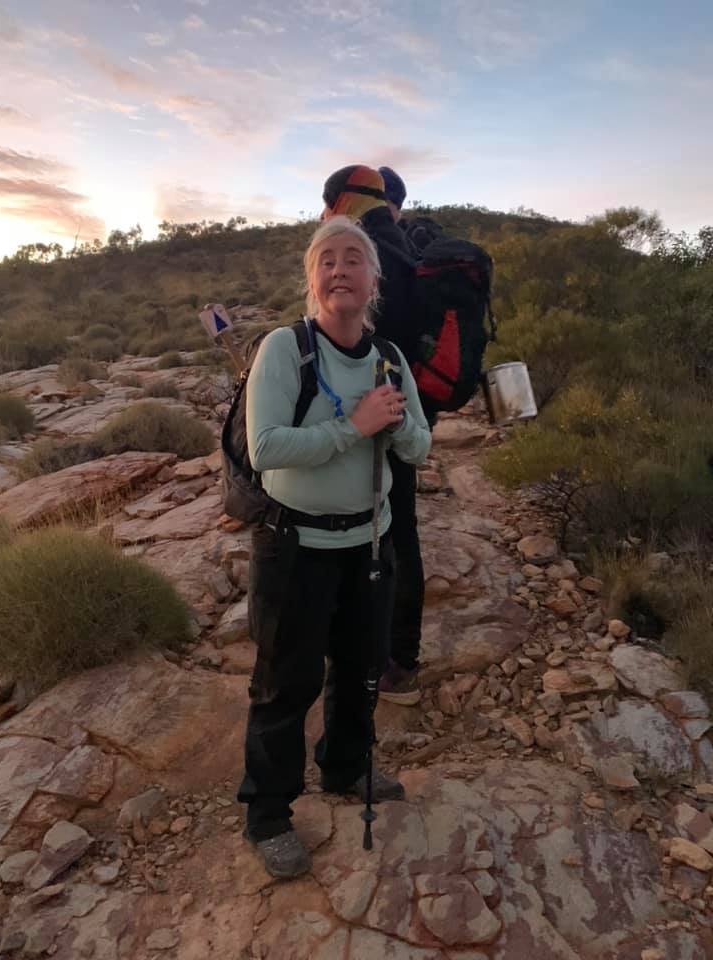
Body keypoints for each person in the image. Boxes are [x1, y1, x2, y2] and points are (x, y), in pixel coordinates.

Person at [237, 216, 431, 879]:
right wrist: (355, 426)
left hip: (369, 545)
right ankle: (267, 813)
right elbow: (267, 450)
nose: (340, 269)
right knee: (284, 684)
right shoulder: (285, 349)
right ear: (312, 280)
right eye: (327, 261)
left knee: (361, 669)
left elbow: (420, 447)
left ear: (374, 280)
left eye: (354, 259)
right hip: (295, 549)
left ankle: (347, 768)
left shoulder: (390, 359)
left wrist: (396, 425)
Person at [322, 164, 426, 706]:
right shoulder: (402, 242)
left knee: (394, 533)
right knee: (396, 530)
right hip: (403, 405)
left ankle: (396, 653)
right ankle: (391, 648)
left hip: (380, 408)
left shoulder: (375, 247)